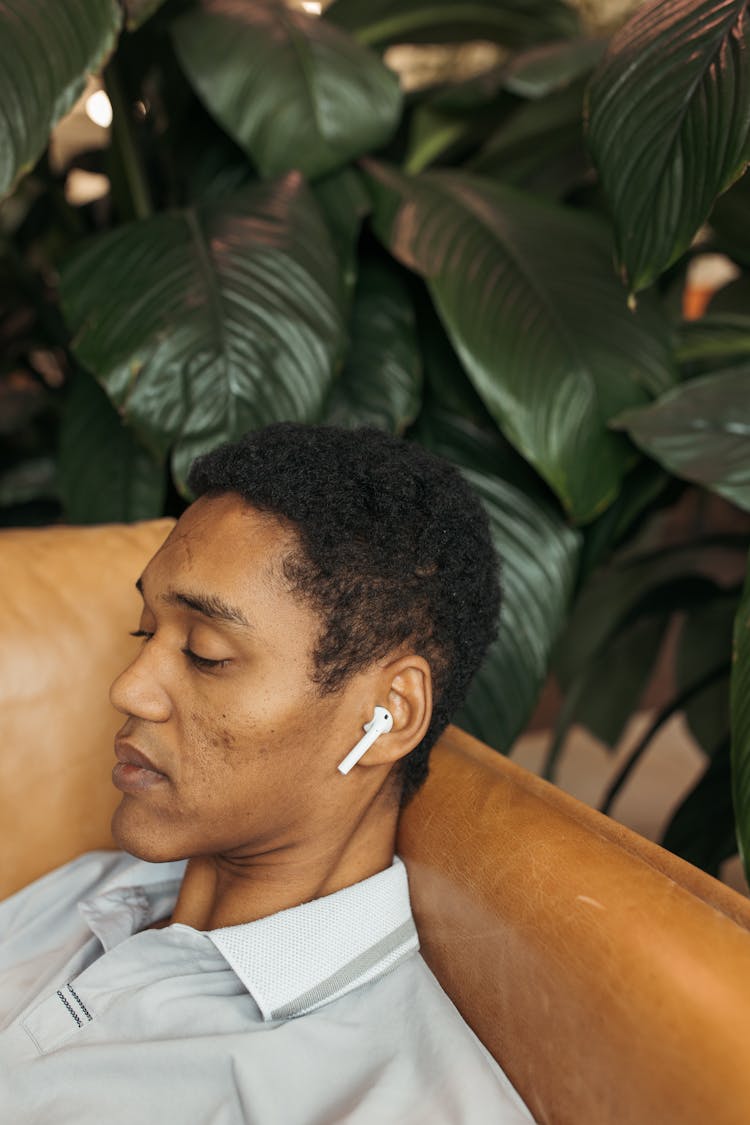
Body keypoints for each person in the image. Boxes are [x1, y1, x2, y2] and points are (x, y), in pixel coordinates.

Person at [0, 423, 533, 1123]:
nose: (129, 688)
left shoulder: (388, 1100)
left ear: (387, 714)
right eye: (143, 631)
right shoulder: (92, 895)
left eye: (206, 652)